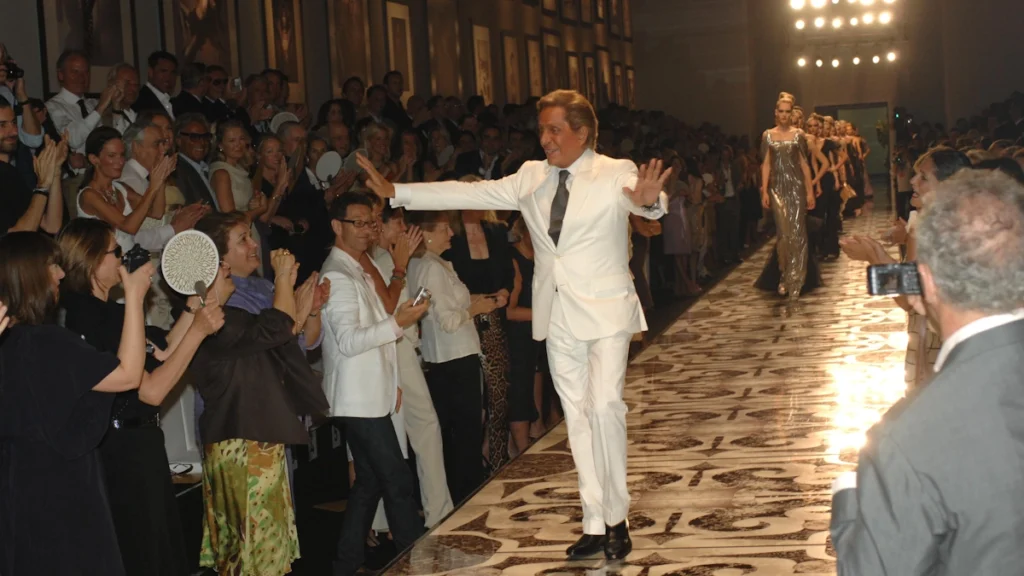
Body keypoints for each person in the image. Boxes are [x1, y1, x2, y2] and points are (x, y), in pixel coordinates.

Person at [357, 89, 670, 561]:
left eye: (555, 130)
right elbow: (469, 192)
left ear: (582, 132)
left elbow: (644, 199)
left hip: (606, 312)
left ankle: (617, 519)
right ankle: (593, 521)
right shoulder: (531, 176)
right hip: (557, 314)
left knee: (605, 407)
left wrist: (651, 204)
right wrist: (397, 192)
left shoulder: (614, 171)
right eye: (542, 130)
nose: (545, 139)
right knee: (577, 417)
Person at [830, 169, 1024, 574]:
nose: (915, 182)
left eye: (924, 176)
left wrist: (849, 500)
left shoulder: (908, 436)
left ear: (927, 284)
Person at [58, 218, 224, 576]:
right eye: (115, 251)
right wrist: (197, 332)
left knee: (159, 550)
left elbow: (162, 350)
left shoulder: (107, 311)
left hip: (139, 442)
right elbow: (151, 389)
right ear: (91, 260)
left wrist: (195, 306)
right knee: (143, 554)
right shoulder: (85, 318)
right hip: (120, 451)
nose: (124, 258)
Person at [0, 231, 152, 575]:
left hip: (16, 496)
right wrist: (134, 297)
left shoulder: (10, 345)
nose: (60, 274)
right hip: (60, 496)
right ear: (29, 274)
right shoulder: (45, 343)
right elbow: (129, 375)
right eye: (51, 265)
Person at [189, 242, 329, 576]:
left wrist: (302, 309)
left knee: (259, 550)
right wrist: (282, 279)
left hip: (250, 439)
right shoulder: (221, 322)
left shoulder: (227, 318)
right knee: (253, 552)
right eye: (220, 265)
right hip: (241, 443)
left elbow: (280, 339)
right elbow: (276, 329)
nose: (226, 269)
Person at [320, 194, 430, 576]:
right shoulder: (337, 274)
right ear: (338, 227)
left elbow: (377, 329)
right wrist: (400, 321)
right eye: (359, 223)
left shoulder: (355, 267)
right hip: (357, 398)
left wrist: (391, 380)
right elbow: (349, 341)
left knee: (369, 482)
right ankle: (416, 560)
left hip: (368, 394)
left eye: (371, 223)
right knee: (396, 479)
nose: (368, 230)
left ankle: (346, 563)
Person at [755, 92, 820, 298]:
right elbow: (766, 164)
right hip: (777, 188)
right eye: (781, 111)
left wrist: (810, 192)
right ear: (776, 113)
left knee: (798, 232)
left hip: (796, 187)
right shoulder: (767, 135)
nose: (784, 115)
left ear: (791, 113)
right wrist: (764, 190)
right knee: (783, 233)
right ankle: (784, 274)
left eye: (787, 111)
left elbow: (804, 164)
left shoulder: (798, 134)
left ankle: (797, 277)